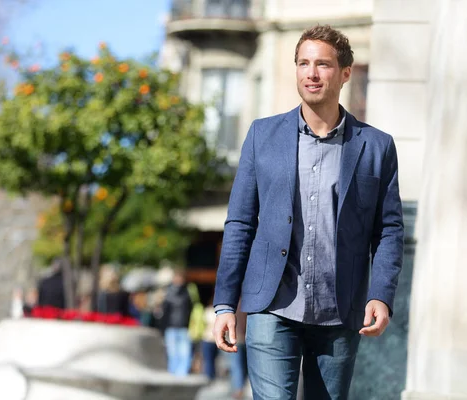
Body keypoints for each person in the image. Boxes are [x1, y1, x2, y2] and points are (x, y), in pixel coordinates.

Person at [212, 24, 404, 399]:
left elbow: (389, 230)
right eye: (303, 63)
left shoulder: (377, 147)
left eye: (323, 65)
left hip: (340, 310)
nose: (311, 74)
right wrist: (224, 304)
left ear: (346, 72)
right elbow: (239, 223)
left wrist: (380, 295)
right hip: (271, 305)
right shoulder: (262, 136)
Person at [161, 268, 193, 376]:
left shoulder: (187, 293)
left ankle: (181, 373)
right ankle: (173, 372)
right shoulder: (168, 293)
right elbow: (165, 312)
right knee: (172, 352)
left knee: (184, 352)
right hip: (171, 326)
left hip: (184, 326)